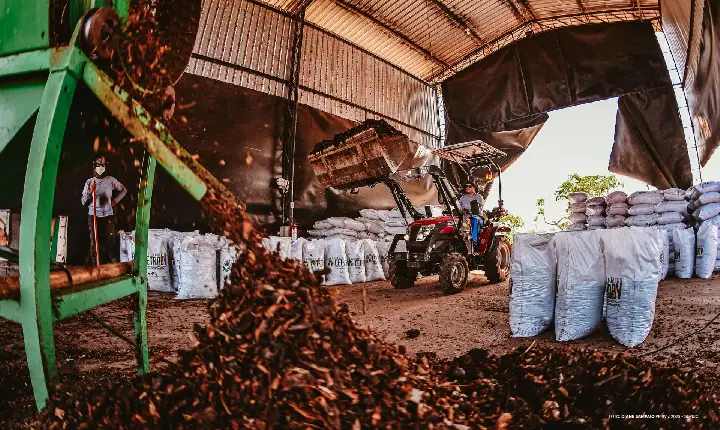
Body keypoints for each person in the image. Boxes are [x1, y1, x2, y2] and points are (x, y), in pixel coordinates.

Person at [81, 156, 127, 264]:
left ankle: (114, 265)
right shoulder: (90, 182)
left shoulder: (111, 180)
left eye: (103, 166)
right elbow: (83, 202)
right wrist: (90, 192)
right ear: (94, 167)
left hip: (107, 215)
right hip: (93, 216)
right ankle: (95, 266)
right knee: (94, 242)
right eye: (98, 166)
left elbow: (124, 190)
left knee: (111, 241)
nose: (101, 168)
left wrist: (115, 201)